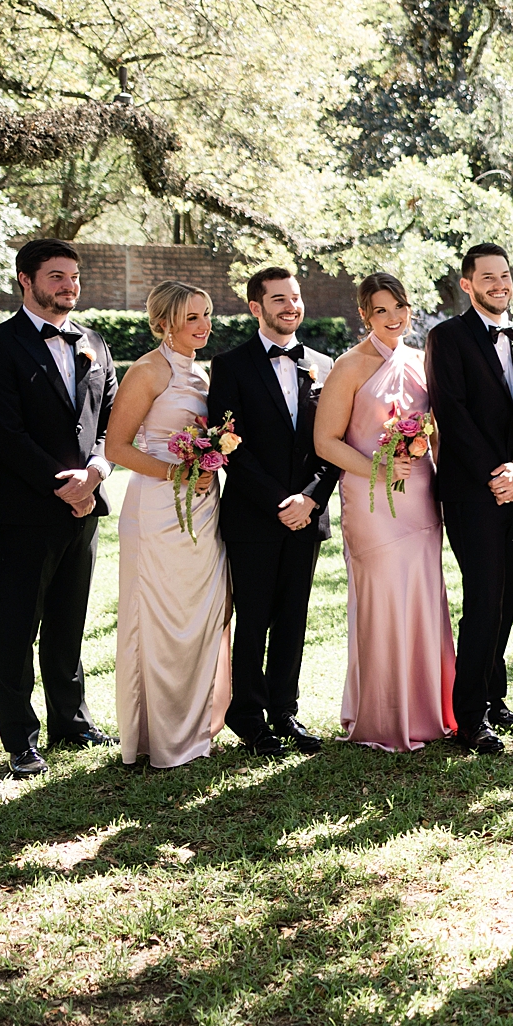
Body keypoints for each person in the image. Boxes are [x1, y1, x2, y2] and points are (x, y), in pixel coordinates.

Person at [0, 238, 118, 777]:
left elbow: (112, 421)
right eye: (56, 276)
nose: (69, 285)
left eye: (73, 276)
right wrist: (65, 485)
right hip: (23, 509)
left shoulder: (94, 342)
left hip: (85, 505)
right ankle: (20, 738)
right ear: (25, 281)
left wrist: (95, 473)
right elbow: (4, 432)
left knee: (68, 621)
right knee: (15, 627)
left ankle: (71, 722)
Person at [315, 273, 456, 752]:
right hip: (372, 500)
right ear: (364, 315)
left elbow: (437, 430)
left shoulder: (420, 361)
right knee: (383, 598)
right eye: (381, 310)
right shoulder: (350, 366)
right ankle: (383, 714)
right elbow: (325, 441)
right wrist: (378, 468)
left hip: (420, 496)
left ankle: (430, 710)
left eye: (400, 307)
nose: (394, 318)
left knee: (423, 595)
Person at [205, 267, 341, 757]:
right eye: (279, 298)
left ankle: (284, 712)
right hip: (254, 515)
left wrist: (310, 498)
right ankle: (248, 717)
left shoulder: (324, 365)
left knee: (292, 618)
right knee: (254, 618)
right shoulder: (230, 365)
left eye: (295, 297)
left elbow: (334, 442)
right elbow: (228, 444)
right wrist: (279, 502)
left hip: (308, 512)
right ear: (255, 307)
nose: (290, 306)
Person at [104, 281, 233, 769]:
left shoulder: (201, 372)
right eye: (192, 317)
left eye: (207, 315)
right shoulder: (147, 371)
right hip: (158, 509)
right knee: (161, 618)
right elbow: (117, 448)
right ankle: (157, 736)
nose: (204, 325)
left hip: (204, 506)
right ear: (164, 323)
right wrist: (178, 473)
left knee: (203, 613)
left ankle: (195, 726)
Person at [426, 243, 513, 754]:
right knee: (483, 599)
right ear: (467, 284)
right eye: (488, 277)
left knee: (507, 597)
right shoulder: (447, 337)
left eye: (505, 276)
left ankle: (495, 699)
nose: (500, 285)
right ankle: (469, 717)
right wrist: (495, 474)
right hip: (472, 491)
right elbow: (450, 413)